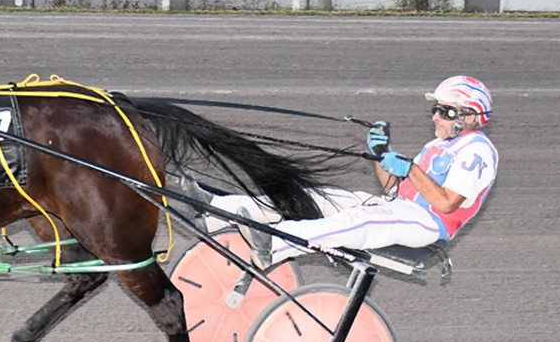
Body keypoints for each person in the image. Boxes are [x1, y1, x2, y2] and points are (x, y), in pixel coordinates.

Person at [182, 76, 498, 270]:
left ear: (469, 116)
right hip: (398, 207)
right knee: (314, 197)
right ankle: (214, 213)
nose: (436, 117)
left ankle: (275, 248)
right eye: (436, 109)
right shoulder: (437, 145)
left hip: (428, 224)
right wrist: (380, 154)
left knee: (354, 222)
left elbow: (446, 203)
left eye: (445, 111)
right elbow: (392, 188)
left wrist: (411, 168)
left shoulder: (477, 151)